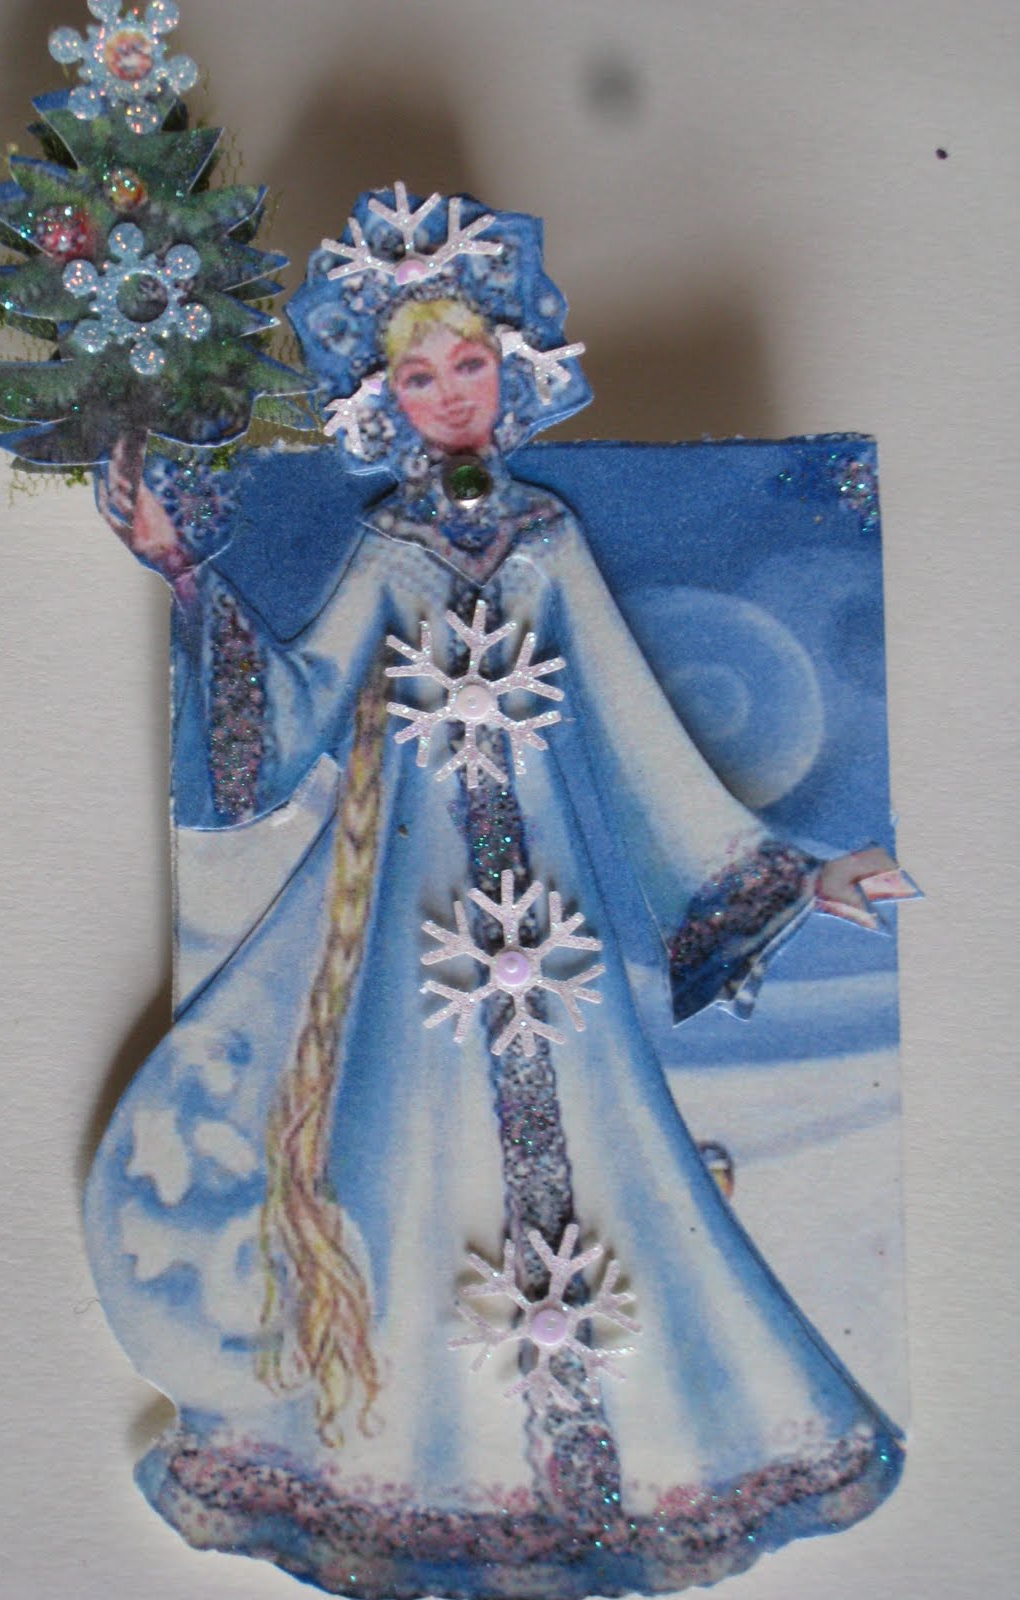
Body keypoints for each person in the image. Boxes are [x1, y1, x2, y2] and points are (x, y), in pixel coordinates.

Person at [85, 187, 905, 1600]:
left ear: (509, 373)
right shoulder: (389, 551)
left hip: (558, 927)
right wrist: (186, 572)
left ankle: (641, 1458)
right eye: (419, 376)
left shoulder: (550, 539)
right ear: (383, 401)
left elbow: (638, 730)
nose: (450, 394)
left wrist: (791, 874)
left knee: (604, 1145)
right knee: (402, 1150)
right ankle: (406, 1463)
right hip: (413, 925)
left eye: (468, 364)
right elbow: (289, 716)